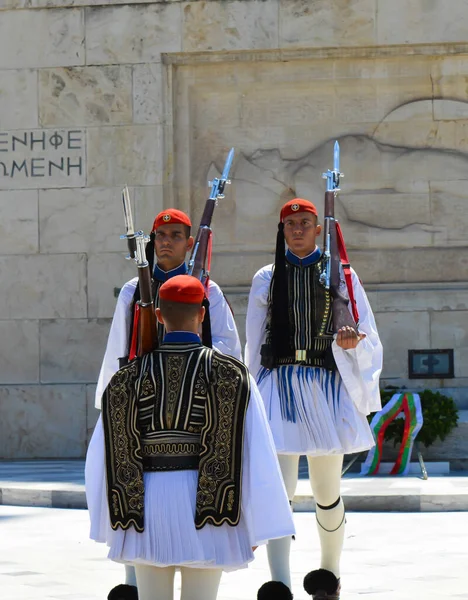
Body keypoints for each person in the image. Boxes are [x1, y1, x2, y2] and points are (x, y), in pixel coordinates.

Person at [85, 275, 295, 600]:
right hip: (210, 507)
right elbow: (257, 453)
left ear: (158, 315)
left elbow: (105, 457)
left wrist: (110, 522)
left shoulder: (125, 379)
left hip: (146, 507)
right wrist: (257, 521)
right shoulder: (232, 375)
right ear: (202, 314)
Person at [95, 209, 242, 600]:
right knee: (131, 485)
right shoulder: (133, 290)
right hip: (144, 405)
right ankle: (134, 577)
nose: (165, 242)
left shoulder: (206, 289)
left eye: (175, 235)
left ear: (189, 243)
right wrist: (111, 406)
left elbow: (228, 346)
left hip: (196, 406)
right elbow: (117, 351)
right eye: (160, 235)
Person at [245, 198, 383, 600]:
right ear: (282, 229)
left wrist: (351, 342)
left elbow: (366, 331)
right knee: (279, 491)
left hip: (324, 386)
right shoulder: (266, 277)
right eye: (291, 225)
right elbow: (255, 341)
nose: (299, 230)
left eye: (306, 223)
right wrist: (249, 394)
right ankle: (280, 582)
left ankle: (329, 575)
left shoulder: (341, 275)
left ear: (318, 228)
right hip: (280, 384)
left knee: (326, 491)